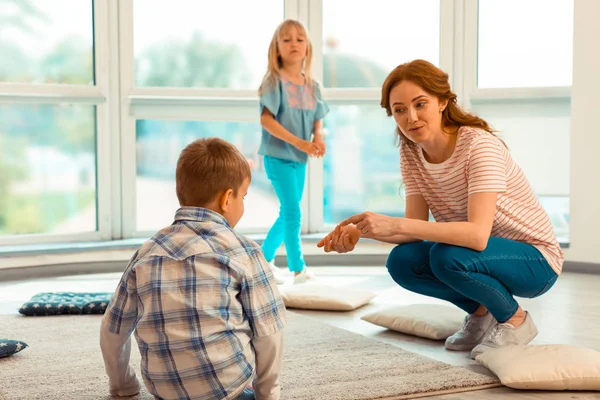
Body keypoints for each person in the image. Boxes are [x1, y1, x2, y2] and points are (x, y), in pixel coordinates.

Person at [317, 59, 564, 359]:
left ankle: (515, 319)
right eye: (399, 110)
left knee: (446, 256)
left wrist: (397, 225)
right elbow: (414, 228)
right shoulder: (411, 152)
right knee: (403, 262)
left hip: (535, 260)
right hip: (476, 255)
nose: (411, 117)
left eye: (420, 104)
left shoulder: (479, 147)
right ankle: (481, 311)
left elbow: (476, 236)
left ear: (443, 101)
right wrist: (362, 232)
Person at [100, 138, 286, 400]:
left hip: (163, 391)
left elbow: (113, 331)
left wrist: (123, 386)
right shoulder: (244, 252)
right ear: (227, 198)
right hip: (227, 390)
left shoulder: (146, 253)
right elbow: (270, 333)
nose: (243, 204)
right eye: (243, 197)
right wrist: (267, 394)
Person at [258, 19, 330, 285]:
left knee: (289, 211)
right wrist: (300, 143)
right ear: (277, 48)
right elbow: (266, 120)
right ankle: (298, 269)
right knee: (293, 212)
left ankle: (263, 259)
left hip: (299, 160)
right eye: (286, 39)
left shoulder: (312, 85)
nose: (294, 44)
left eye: (300, 39)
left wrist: (318, 136)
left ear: (308, 47)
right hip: (278, 157)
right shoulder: (273, 82)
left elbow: (317, 118)